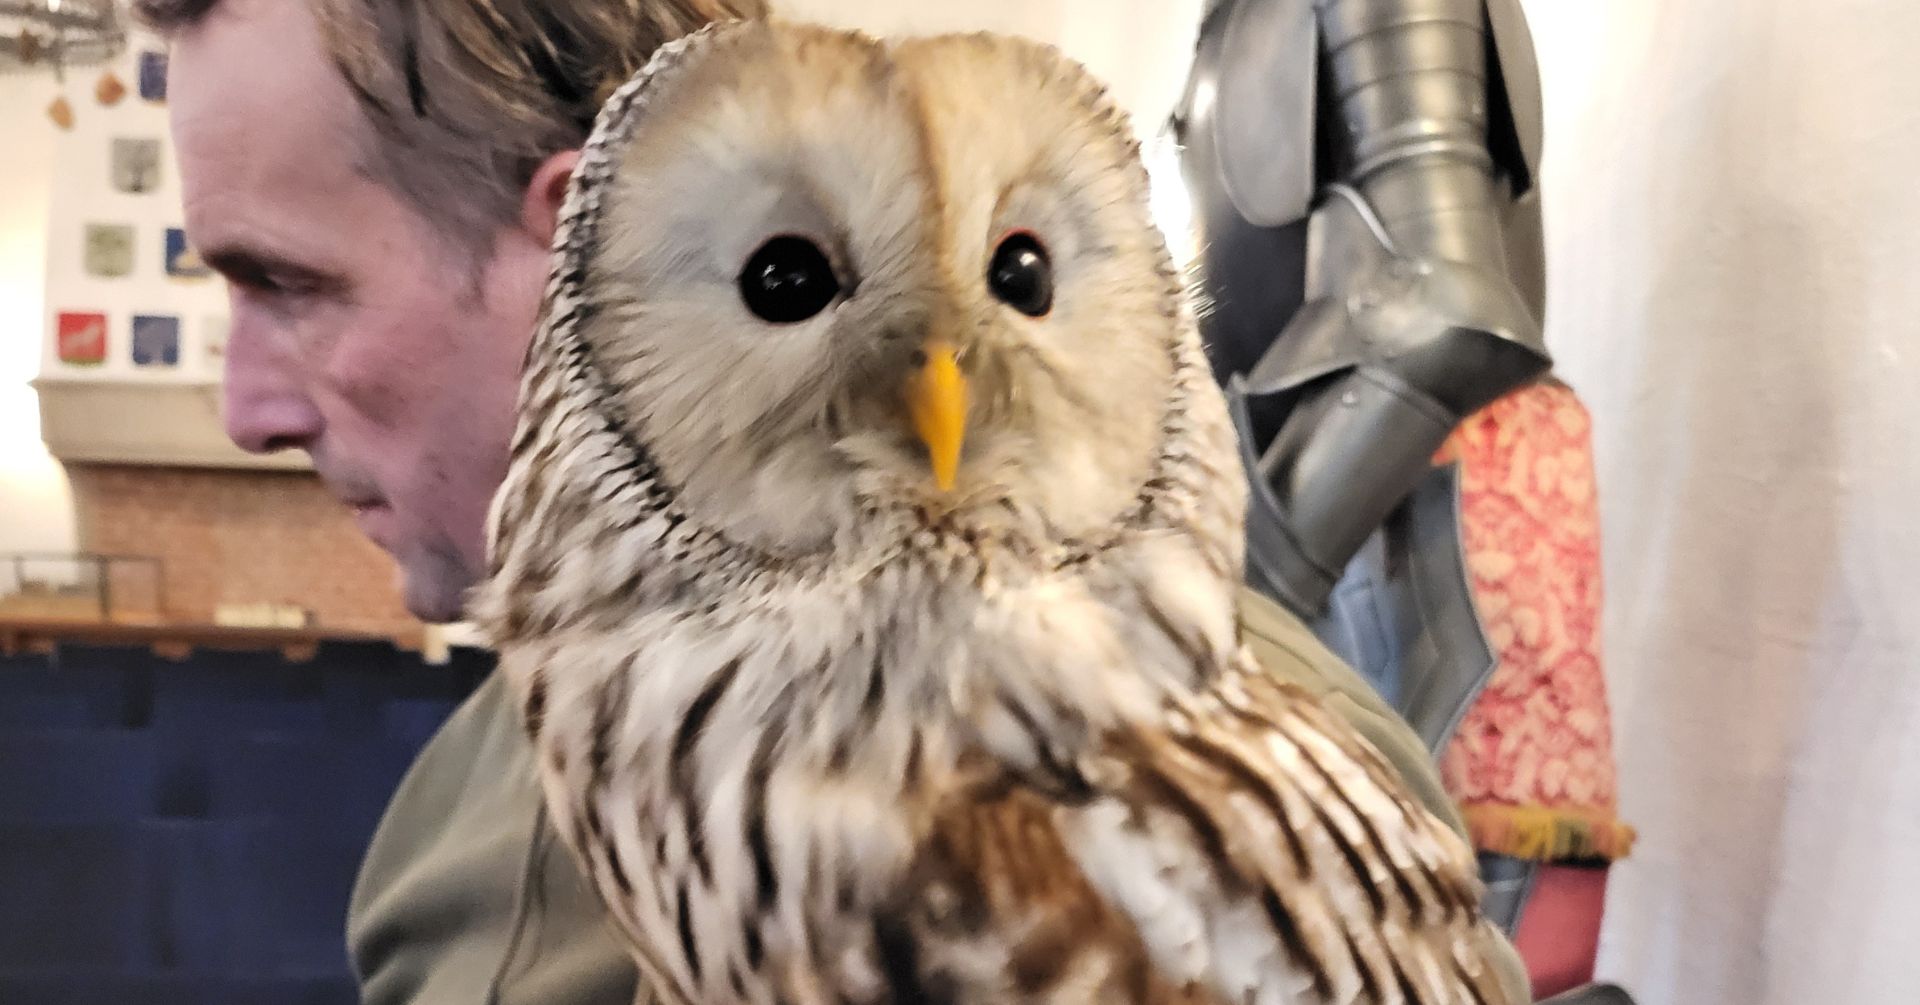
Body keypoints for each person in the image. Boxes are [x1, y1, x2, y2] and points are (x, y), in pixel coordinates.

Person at [139, 0, 1531, 1001]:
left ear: (565, 235)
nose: (244, 405)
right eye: (787, 286)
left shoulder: (1152, 799)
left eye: (288, 285)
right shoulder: (509, 777)